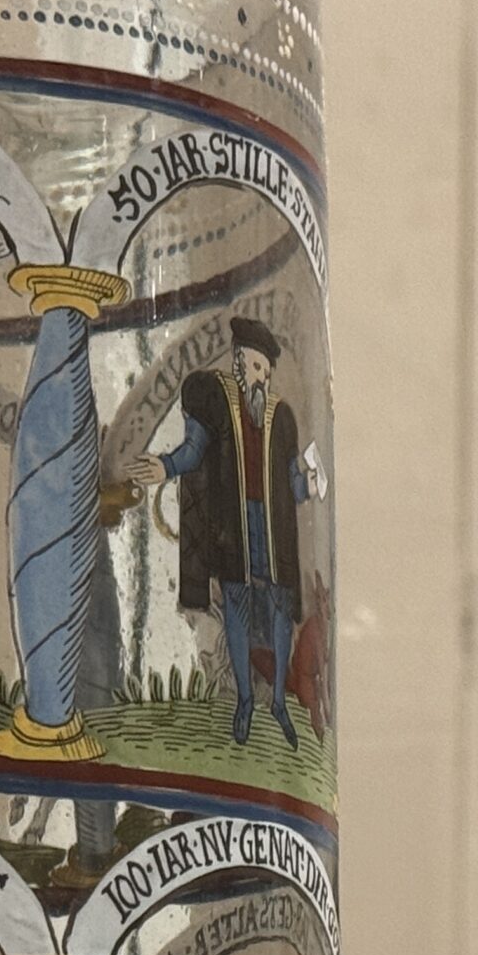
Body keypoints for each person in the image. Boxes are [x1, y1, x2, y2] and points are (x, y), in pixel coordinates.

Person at [129, 317, 320, 747]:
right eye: (256, 367)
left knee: (279, 607)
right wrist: (165, 467)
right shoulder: (214, 398)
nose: (262, 378)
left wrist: (309, 485)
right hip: (233, 526)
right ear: (238, 361)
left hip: (274, 527)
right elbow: (193, 452)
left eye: (266, 372)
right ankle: (245, 700)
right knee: (237, 606)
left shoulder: (281, 416)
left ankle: (279, 703)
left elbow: (292, 482)